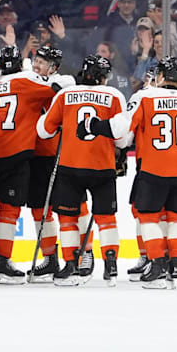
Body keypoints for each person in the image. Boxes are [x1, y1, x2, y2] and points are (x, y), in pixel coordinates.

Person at [82, 56, 177, 288]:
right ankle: (175, 267)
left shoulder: (145, 97)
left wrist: (92, 126)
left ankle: (156, 264)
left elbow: (121, 133)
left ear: (161, 76)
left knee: (148, 216)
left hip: (154, 169)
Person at [36, 55, 126, 286]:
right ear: (103, 77)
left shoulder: (65, 95)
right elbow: (123, 138)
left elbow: (44, 130)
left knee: (67, 218)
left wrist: (60, 125)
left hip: (70, 166)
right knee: (106, 219)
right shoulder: (114, 95)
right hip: (102, 167)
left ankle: (70, 265)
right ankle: (111, 265)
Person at [0, 45, 57, 283]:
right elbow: (59, 90)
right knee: (9, 211)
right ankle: (1, 264)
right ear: (21, 64)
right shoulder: (27, 80)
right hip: (15, 154)